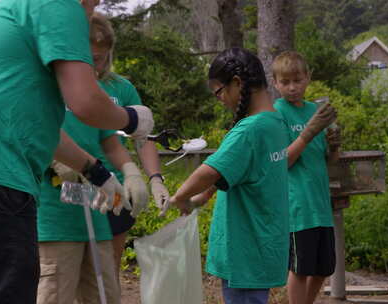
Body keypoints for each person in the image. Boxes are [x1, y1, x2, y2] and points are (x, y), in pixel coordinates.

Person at [0, 0, 154, 303]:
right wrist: (132, 119)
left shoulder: (20, 12)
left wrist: (93, 170)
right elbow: (85, 102)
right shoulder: (60, 4)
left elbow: (34, 124)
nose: (92, 9)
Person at [36, 13, 167, 304]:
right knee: (56, 291)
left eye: (101, 58)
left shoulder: (107, 90)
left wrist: (134, 172)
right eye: (90, 58)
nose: (95, 66)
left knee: (104, 292)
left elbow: (111, 140)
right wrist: (56, 160)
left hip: (101, 201)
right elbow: (30, 128)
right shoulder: (47, 85)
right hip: (56, 212)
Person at [169, 48, 290, 304]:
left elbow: (210, 170)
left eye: (219, 92)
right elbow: (242, 171)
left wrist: (180, 196)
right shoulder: (275, 122)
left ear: (237, 83)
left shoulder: (249, 130)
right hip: (264, 245)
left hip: (244, 250)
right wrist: (205, 196)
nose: (219, 99)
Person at [271, 50, 340, 304]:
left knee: (324, 267)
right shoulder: (277, 113)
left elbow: (330, 161)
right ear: (276, 83)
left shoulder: (316, 109)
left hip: (321, 204)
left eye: (297, 80)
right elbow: (283, 161)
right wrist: (308, 133)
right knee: (300, 269)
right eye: (285, 82)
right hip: (297, 206)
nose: (292, 87)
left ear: (308, 78)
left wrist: (334, 145)